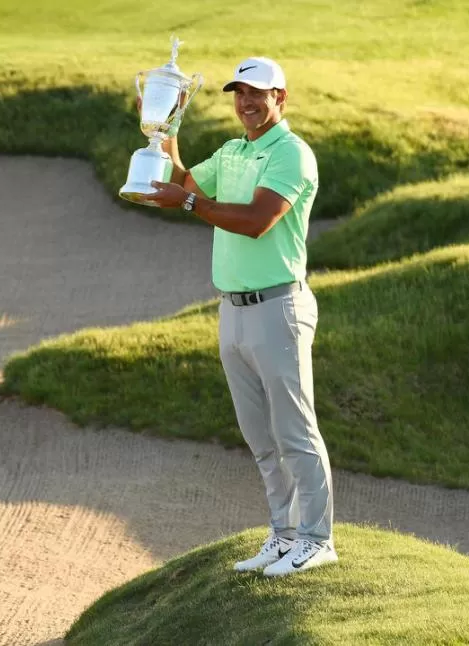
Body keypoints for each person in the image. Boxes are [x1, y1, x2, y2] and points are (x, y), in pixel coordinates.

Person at [145, 56, 336, 577]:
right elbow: (187, 181)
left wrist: (186, 205)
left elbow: (255, 221)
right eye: (239, 93)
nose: (247, 102)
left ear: (281, 97)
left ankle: (318, 540)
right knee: (261, 437)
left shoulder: (292, 154)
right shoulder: (234, 150)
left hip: (279, 307)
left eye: (258, 93)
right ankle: (284, 534)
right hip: (233, 309)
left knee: (295, 432)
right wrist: (165, 126)